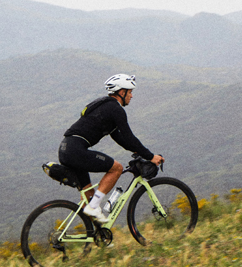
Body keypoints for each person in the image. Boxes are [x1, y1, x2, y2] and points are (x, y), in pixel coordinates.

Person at [58, 73, 164, 223]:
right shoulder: (116, 109)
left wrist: (136, 150)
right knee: (116, 168)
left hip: (66, 149)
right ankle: (93, 207)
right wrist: (150, 156)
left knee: (90, 195)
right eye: (130, 92)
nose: (131, 96)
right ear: (122, 92)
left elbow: (120, 138)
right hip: (76, 151)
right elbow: (129, 137)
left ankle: (96, 236)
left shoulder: (105, 107)